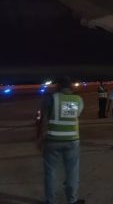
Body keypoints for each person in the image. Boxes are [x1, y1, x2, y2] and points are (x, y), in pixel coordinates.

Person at [37, 76, 85, 204]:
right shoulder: (78, 100)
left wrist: (40, 138)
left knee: (50, 172)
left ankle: (50, 200)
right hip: (72, 140)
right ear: (70, 86)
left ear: (58, 86)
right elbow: (76, 114)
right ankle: (72, 200)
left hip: (52, 140)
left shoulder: (51, 98)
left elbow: (43, 120)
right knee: (72, 172)